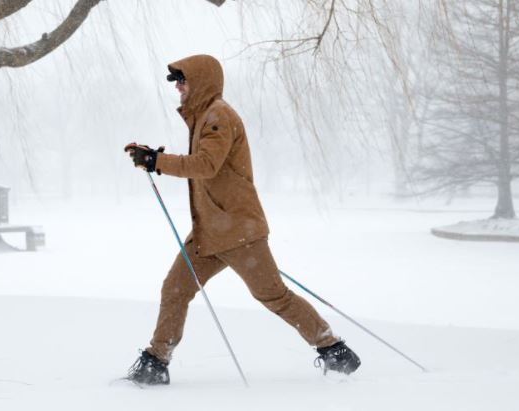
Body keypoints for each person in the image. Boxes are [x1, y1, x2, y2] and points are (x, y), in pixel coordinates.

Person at [123, 54, 360, 385]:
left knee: (273, 296)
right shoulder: (203, 117)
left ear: (201, 81)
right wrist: (156, 159)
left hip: (237, 231)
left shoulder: (218, 116)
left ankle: (334, 350)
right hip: (209, 231)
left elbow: (206, 165)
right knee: (175, 289)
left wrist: (157, 160)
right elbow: (200, 165)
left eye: (182, 80)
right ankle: (155, 363)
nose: (177, 87)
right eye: (175, 81)